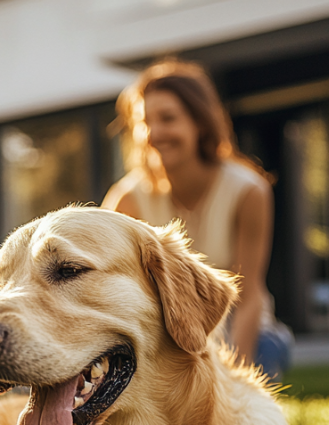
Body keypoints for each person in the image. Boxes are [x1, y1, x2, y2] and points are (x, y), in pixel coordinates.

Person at [102, 59, 292, 379]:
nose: (154, 132)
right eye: (145, 121)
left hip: (238, 331)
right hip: (164, 335)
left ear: (200, 123)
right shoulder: (127, 199)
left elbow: (248, 298)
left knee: (269, 350)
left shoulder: (249, 191)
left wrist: (235, 380)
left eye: (168, 118)